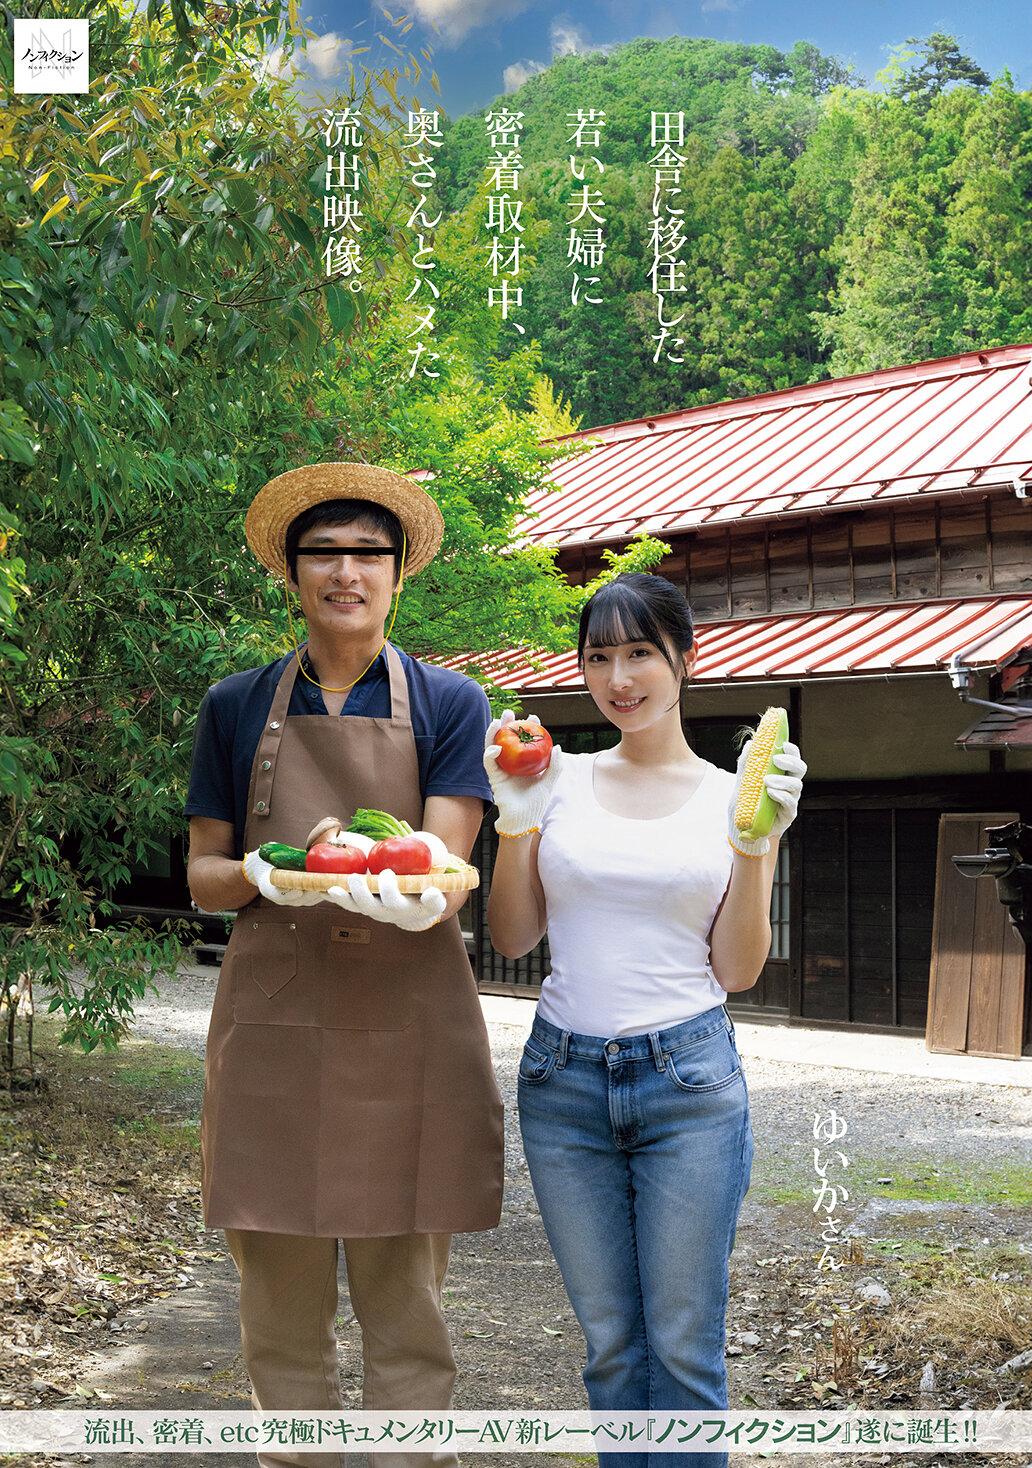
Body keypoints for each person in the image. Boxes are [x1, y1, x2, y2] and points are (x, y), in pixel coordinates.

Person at [185, 462, 504, 1468]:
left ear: (398, 573)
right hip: (276, 1013)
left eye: (370, 552)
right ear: (293, 574)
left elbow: (447, 870)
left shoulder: (452, 702)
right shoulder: (237, 706)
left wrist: (389, 879)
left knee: (404, 1286)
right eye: (324, 551)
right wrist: (263, 871)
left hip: (407, 1014)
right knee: (277, 1286)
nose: (347, 571)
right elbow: (203, 873)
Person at [483, 572, 806, 1468]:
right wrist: (513, 822)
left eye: (639, 655)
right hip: (563, 1084)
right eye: (598, 657)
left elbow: (736, 969)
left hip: (690, 1083)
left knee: (683, 1348)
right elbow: (512, 937)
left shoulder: (730, 793)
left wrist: (760, 844)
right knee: (612, 1346)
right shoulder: (556, 779)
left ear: (685, 661)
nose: (618, 678)